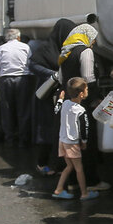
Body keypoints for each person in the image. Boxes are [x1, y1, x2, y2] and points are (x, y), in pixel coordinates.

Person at [58, 23, 108, 191]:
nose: (93, 43)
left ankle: (72, 182)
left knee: (71, 141)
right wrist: (95, 98)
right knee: (87, 142)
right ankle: (91, 182)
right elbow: (88, 77)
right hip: (83, 103)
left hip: (69, 103)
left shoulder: (66, 51)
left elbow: (60, 79)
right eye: (93, 40)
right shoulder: (85, 52)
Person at [31, 19, 75, 175]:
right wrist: (53, 75)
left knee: (59, 130)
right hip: (46, 94)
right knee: (47, 129)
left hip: (61, 94)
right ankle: (42, 163)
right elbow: (33, 65)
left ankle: (57, 164)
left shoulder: (68, 48)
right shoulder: (45, 48)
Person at [52, 77, 99, 201]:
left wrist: (60, 100)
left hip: (62, 140)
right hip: (72, 143)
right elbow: (84, 129)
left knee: (69, 167)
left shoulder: (66, 104)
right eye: (87, 89)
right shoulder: (81, 110)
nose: (88, 90)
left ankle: (59, 189)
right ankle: (84, 193)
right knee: (79, 168)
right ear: (81, 94)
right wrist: (84, 142)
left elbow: (56, 111)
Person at [0, 28, 34, 148]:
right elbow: (30, 64)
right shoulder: (26, 47)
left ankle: (9, 138)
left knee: (7, 109)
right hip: (23, 78)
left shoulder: (1, 48)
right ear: (18, 37)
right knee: (23, 109)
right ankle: (23, 138)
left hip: (5, 79)